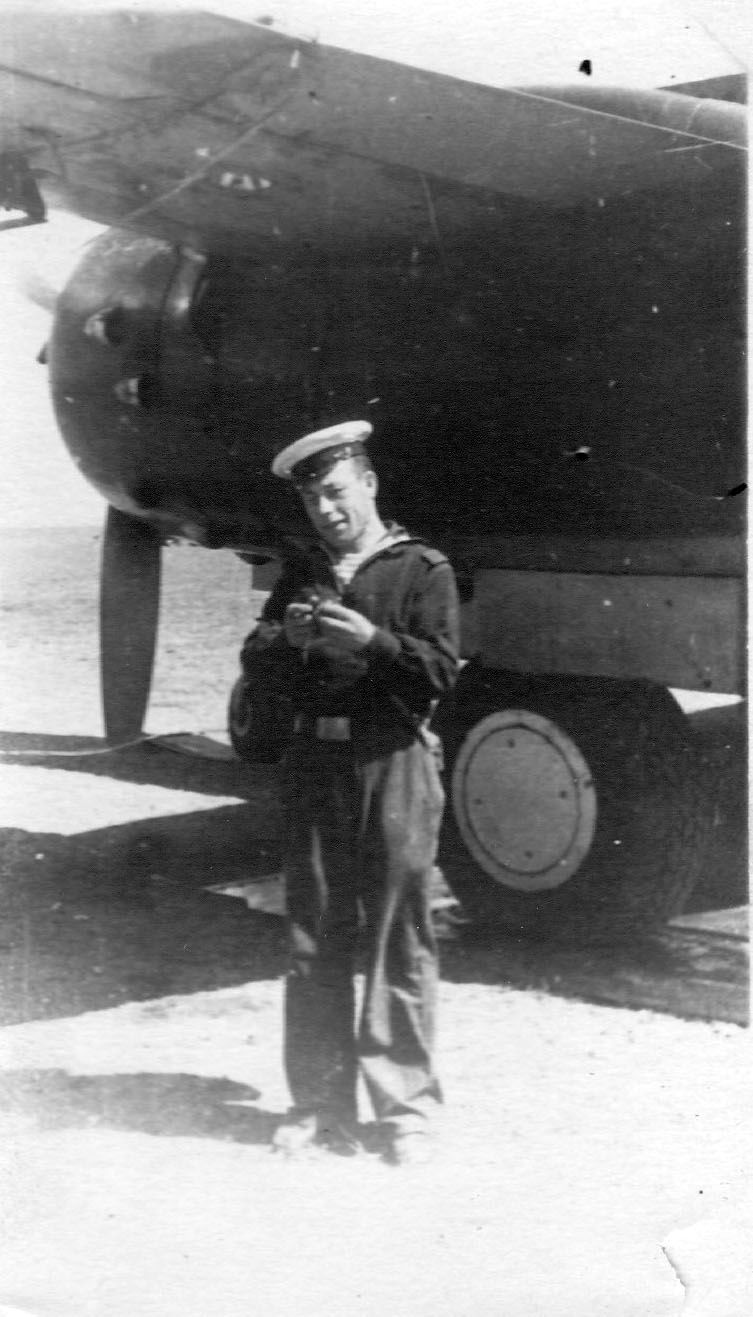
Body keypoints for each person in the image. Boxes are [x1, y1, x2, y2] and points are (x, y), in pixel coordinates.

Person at [240, 420, 460, 1164]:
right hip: (313, 762)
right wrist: (287, 638)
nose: (327, 511)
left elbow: (439, 671)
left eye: (337, 492)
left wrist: (373, 641)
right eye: (313, 501)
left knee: (400, 933)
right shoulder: (301, 574)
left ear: (368, 483)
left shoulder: (422, 568)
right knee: (313, 934)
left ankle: (404, 1112)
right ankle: (317, 1104)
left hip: (391, 759)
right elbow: (255, 661)